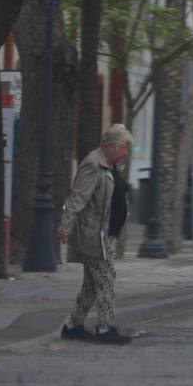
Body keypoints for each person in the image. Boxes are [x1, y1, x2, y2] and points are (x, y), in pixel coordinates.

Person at [57, 124, 134, 345]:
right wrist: (65, 227)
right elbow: (77, 197)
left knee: (91, 285)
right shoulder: (93, 164)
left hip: (105, 235)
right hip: (93, 235)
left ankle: (73, 326)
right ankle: (105, 327)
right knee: (107, 279)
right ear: (110, 146)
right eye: (124, 148)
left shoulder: (110, 165)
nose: (126, 154)